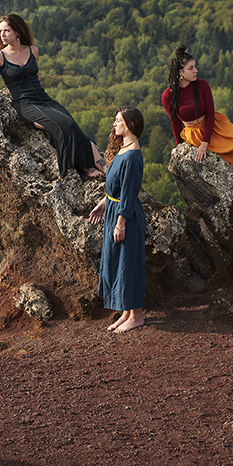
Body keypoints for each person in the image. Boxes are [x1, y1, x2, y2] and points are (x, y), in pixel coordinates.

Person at [0, 13, 106, 179]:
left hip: (44, 99)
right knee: (65, 124)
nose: (2, 34)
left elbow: (36, 77)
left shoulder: (33, 51)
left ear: (18, 32)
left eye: (7, 30)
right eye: (1, 31)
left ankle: (105, 168)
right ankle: (85, 167)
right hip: (26, 104)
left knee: (73, 125)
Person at [161, 45, 233, 198]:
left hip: (214, 125)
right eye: (191, 68)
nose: (196, 70)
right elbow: (175, 123)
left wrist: (204, 143)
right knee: (231, 159)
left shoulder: (202, 85)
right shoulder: (168, 95)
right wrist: (178, 147)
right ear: (180, 72)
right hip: (192, 133)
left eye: (195, 67)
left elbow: (210, 114)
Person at [89, 107, 146, 333]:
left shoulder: (132, 156)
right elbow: (117, 186)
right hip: (114, 209)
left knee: (129, 264)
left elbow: (129, 193)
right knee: (119, 263)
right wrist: (104, 203)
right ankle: (126, 312)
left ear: (130, 125)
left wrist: (121, 223)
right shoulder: (124, 149)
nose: (114, 124)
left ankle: (137, 316)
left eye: (118, 120)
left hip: (126, 215)